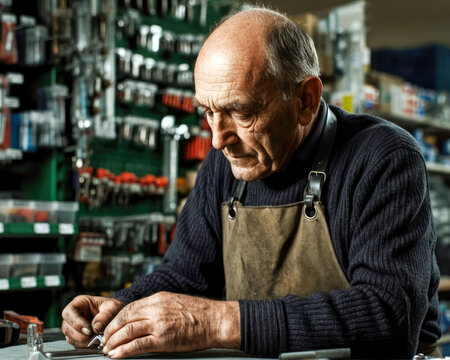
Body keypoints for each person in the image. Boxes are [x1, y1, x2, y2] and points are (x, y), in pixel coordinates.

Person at [62, 7, 441, 359]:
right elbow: (185, 275)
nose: (217, 139)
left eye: (240, 112)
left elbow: (388, 316)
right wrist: (122, 307)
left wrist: (217, 321)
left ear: (306, 100)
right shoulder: (225, 163)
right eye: (208, 112)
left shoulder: (383, 158)